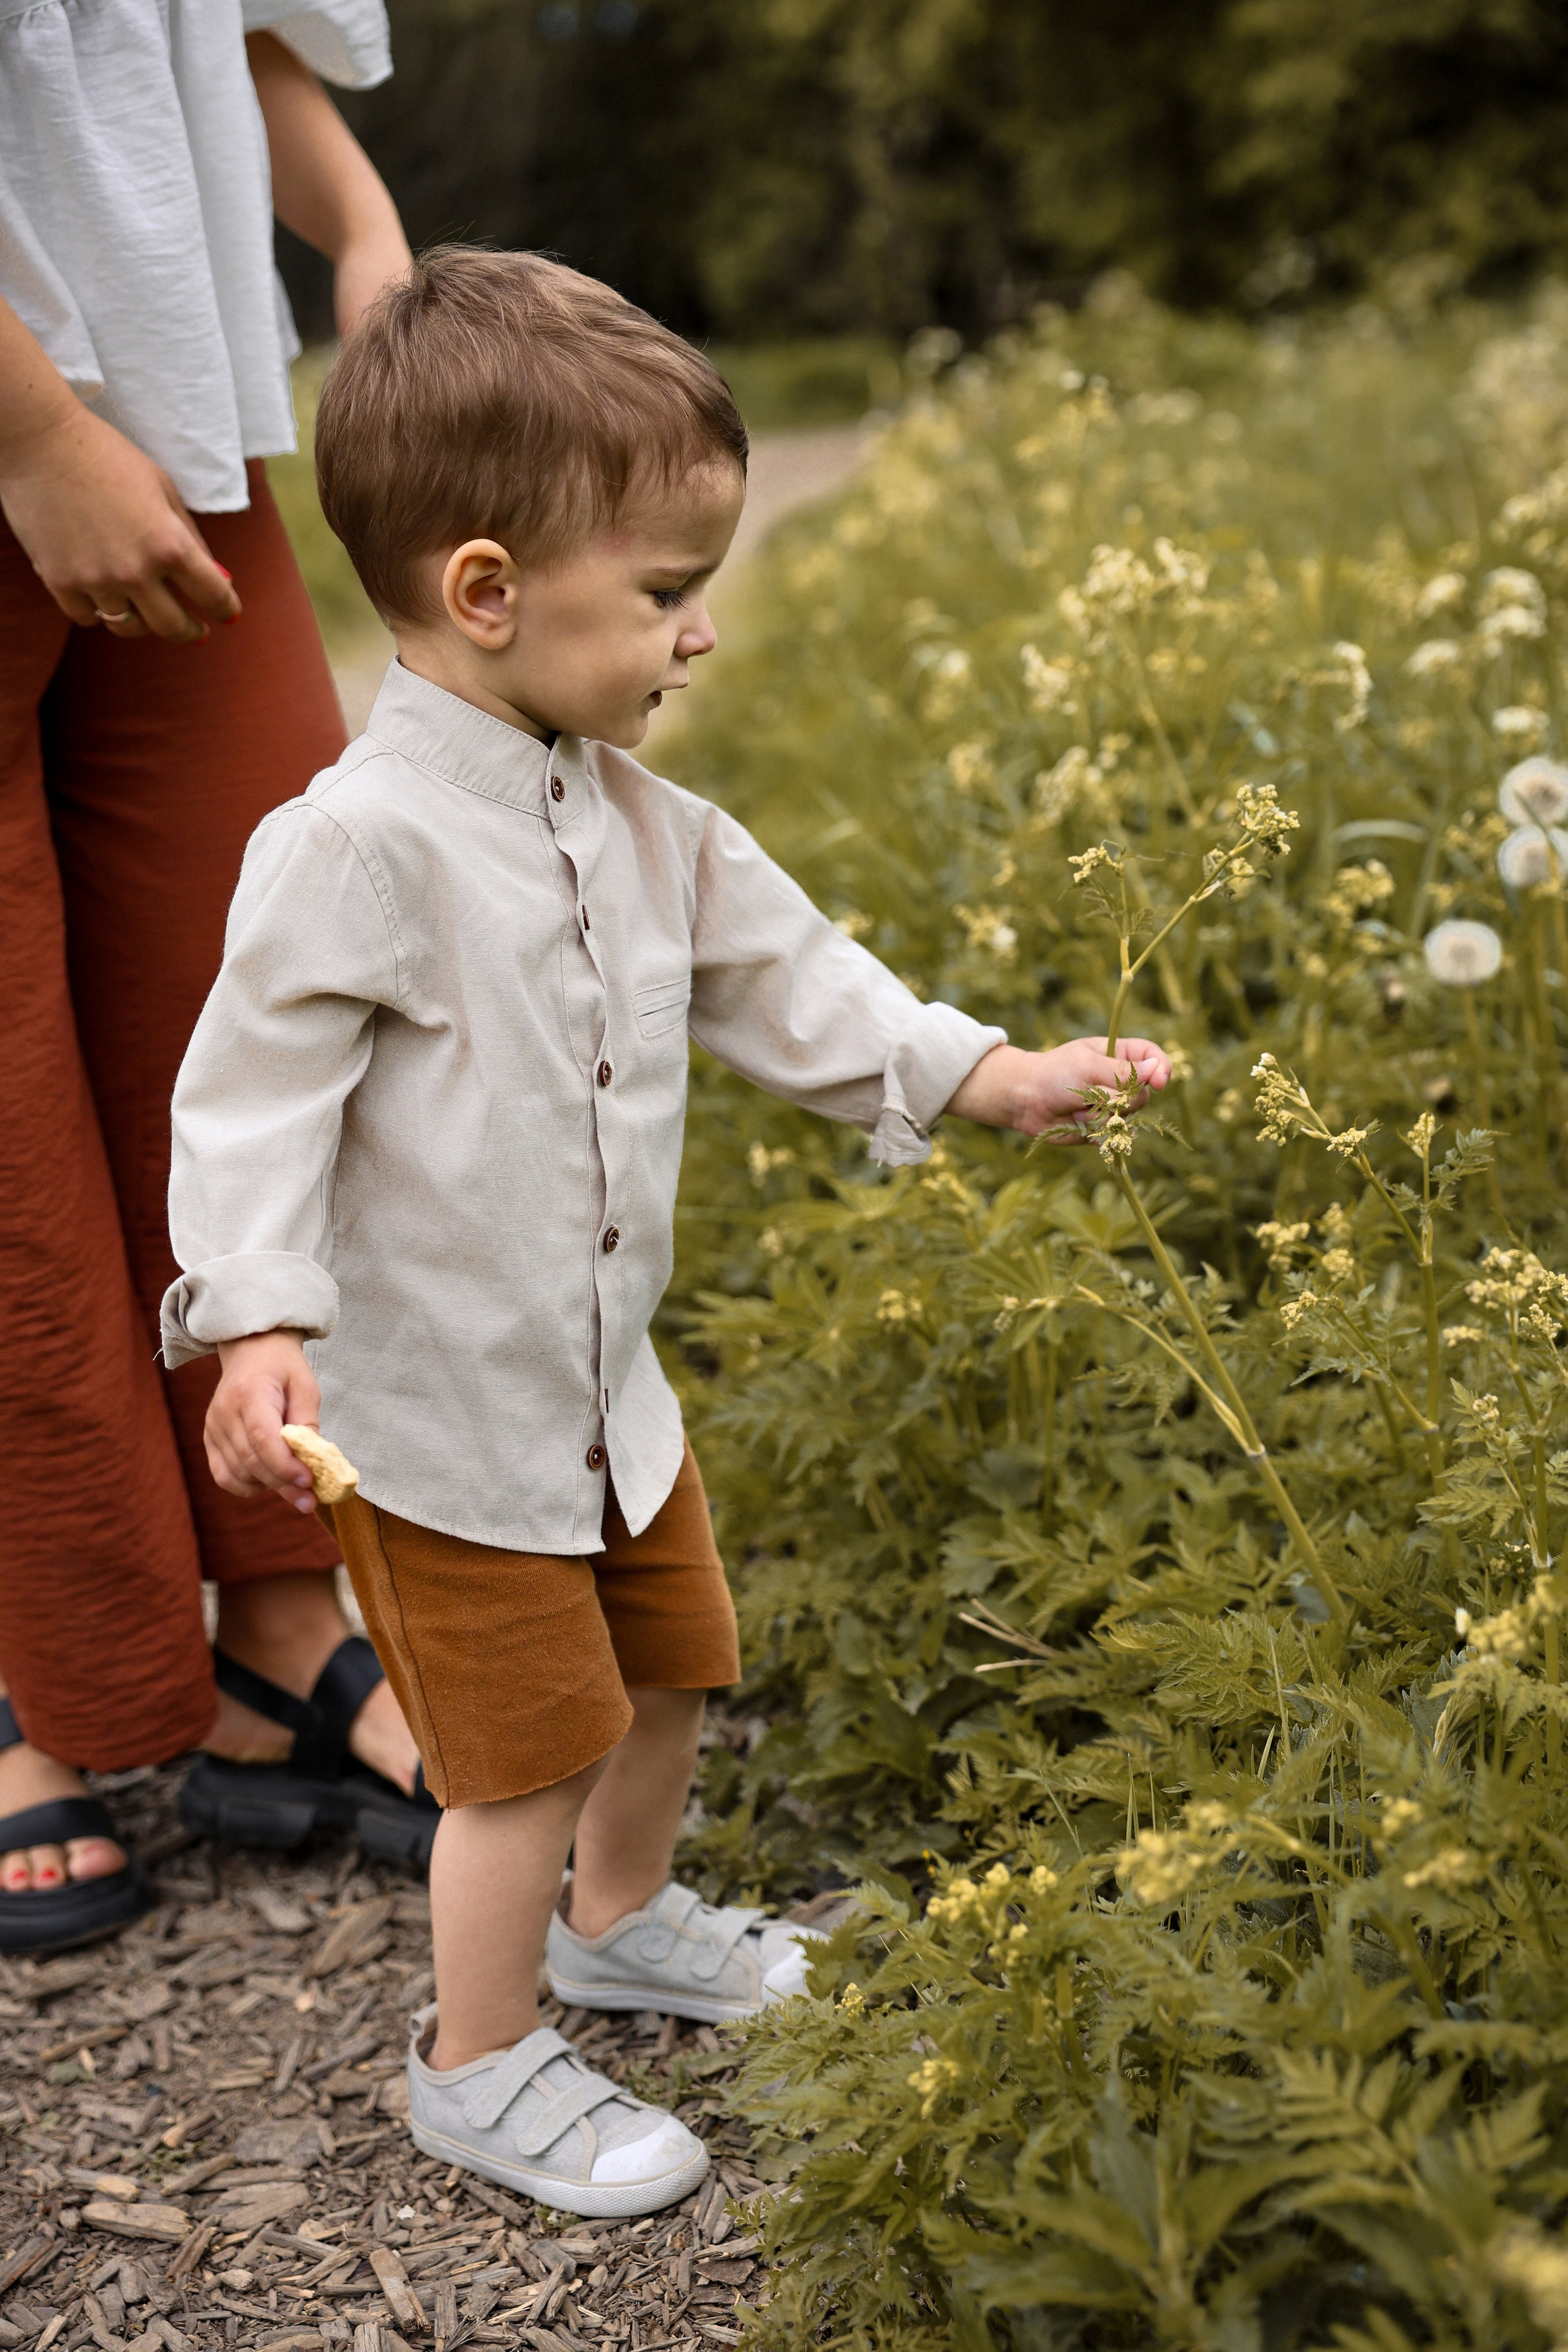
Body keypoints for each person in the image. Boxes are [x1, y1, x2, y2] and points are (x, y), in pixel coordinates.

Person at [162, 248, 1173, 2214]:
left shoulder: (637, 820)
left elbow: (805, 977)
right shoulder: (359, 848)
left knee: (673, 1663)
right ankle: (476, 2053)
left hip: (607, 1393)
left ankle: (617, 1922)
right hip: (448, 1419)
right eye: (663, 596)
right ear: (486, 592)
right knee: (514, 1751)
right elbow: (250, 1099)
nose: (694, 642)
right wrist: (258, 1325)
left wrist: (988, 1074)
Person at [0, 0, 434, 1953]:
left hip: (182, 412)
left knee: (243, 1001)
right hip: (37, 421)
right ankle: (35, 1665)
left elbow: (215, 26)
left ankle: (277, 1619)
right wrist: (26, 429)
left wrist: (361, 235)